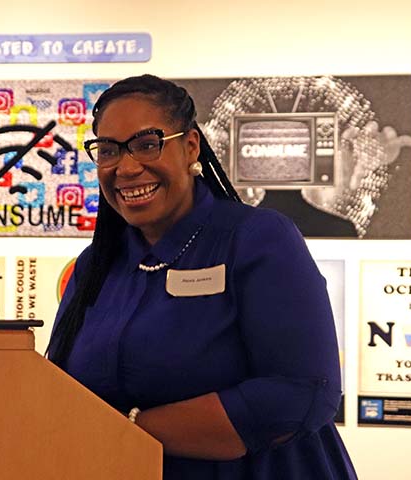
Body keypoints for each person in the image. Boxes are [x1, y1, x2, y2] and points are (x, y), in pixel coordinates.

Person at [47, 74, 358, 479]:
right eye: (108, 150)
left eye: (146, 144)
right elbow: (63, 390)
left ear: (190, 145)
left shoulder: (256, 240)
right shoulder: (96, 266)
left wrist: (130, 430)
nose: (126, 167)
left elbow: (302, 392)